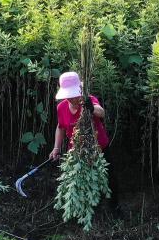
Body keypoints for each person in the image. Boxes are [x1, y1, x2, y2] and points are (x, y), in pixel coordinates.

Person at [49, 71, 117, 205]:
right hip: (77, 151)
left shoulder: (88, 100)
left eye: (73, 95)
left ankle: (114, 206)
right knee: (81, 181)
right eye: (68, 96)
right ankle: (87, 207)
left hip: (98, 147)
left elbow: (101, 113)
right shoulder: (61, 107)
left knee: (108, 177)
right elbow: (60, 127)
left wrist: (91, 108)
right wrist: (56, 148)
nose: (71, 99)